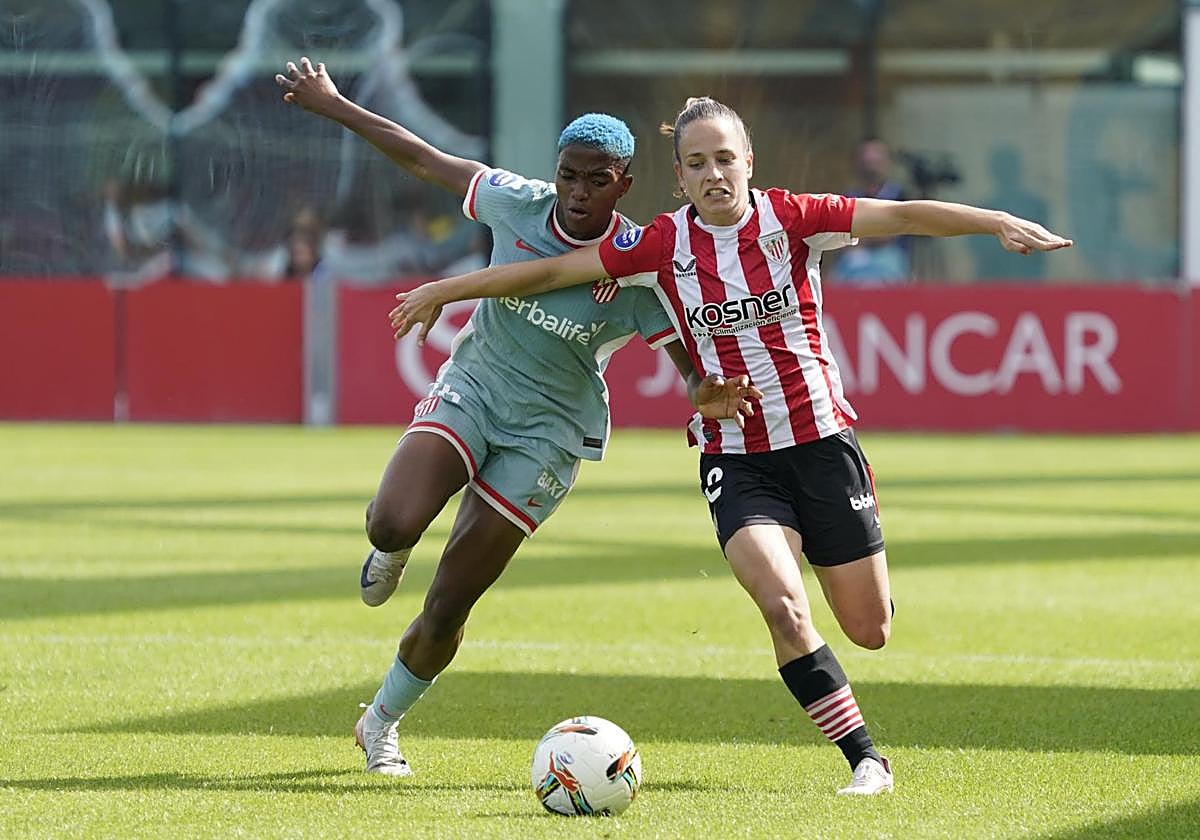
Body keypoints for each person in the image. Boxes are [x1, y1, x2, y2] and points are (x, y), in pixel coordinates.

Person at [389, 96, 1073, 795]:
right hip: (736, 455)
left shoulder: (794, 218)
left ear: (748, 162)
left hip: (823, 444)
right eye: (696, 163)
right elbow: (548, 272)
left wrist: (996, 223)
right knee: (782, 606)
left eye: (724, 158)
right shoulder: (658, 243)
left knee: (869, 629)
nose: (713, 173)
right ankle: (867, 759)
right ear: (679, 179)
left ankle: (848, 571)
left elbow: (901, 215)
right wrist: (450, 289)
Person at [275, 63, 759, 777]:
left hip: (549, 435)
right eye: (569, 174)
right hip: (475, 389)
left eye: (598, 180)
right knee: (391, 522)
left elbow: (683, 357)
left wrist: (700, 387)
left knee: (451, 601)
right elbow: (420, 155)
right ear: (554, 171)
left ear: (624, 185)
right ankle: (391, 549)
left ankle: (380, 722)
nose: (579, 192)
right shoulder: (513, 202)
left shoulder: (633, 264)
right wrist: (337, 104)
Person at [834, 138, 911, 284]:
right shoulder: (848, 196)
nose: (871, 164)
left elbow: (891, 233)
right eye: (867, 159)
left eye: (877, 159)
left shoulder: (900, 194)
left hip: (890, 258)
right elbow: (839, 236)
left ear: (887, 162)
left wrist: (861, 236)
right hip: (854, 258)